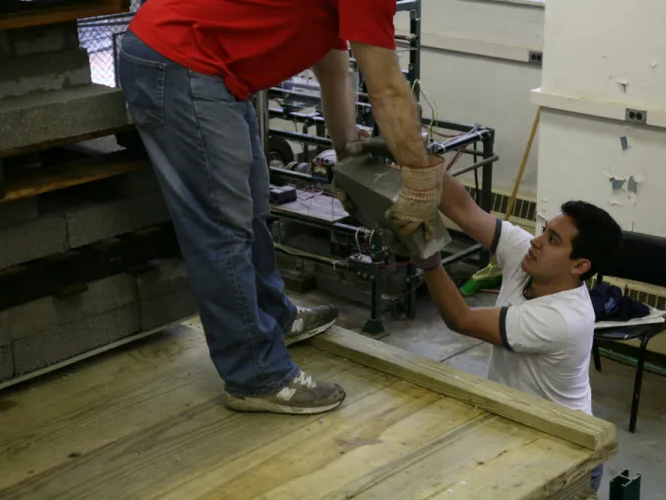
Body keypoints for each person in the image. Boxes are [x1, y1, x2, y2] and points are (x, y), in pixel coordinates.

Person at [116, 0, 443, 415]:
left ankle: (273, 317)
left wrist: (346, 153)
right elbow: (388, 90)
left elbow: (333, 63)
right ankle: (255, 374)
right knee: (221, 229)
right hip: (182, 61)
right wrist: (418, 180)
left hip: (205, 66)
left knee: (251, 206)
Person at [392, 173, 622, 492]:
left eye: (553, 240)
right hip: (519, 431)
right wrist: (417, 161)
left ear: (580, 266)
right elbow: (465, 209)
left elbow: (461, 319)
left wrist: (428, 260)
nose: (537, 241)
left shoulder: (563, 318)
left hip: (564, 454)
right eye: (545, 231)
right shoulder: (530, 258)